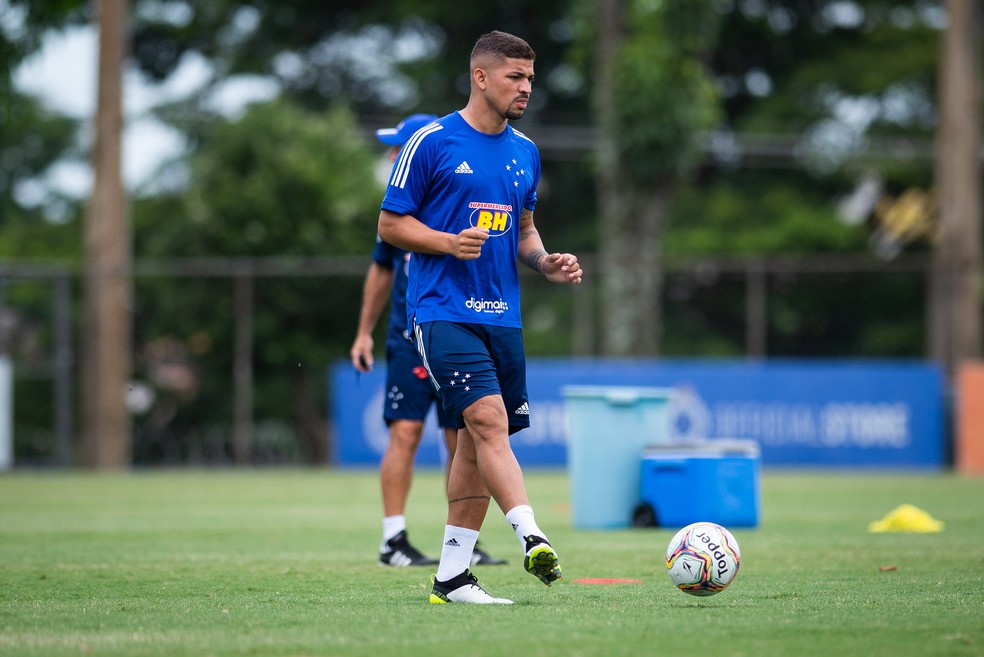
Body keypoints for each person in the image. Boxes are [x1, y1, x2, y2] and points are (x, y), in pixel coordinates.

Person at [377, 30, 584, 604]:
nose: (525, 88)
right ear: (481, 77)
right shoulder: (432, 141)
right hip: (441, 311)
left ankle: (452, 577)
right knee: (489, 421)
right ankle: (531, 534)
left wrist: (546, 261)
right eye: (515, 77)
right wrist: (447, 242)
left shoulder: (526, 152)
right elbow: (390, 226)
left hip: (504, 317)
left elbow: (523, 230)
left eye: (530, 79)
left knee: (473, 443)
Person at [351, 113, 506, 569]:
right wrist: (363, 331)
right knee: (406, 431)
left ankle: (462, 541)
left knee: (464, 439)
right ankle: (392, 541)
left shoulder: (451, 197)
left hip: (456, 333)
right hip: (408, 335)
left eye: (399, 145)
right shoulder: (397, 212)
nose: (394, 154)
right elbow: (381, 270)